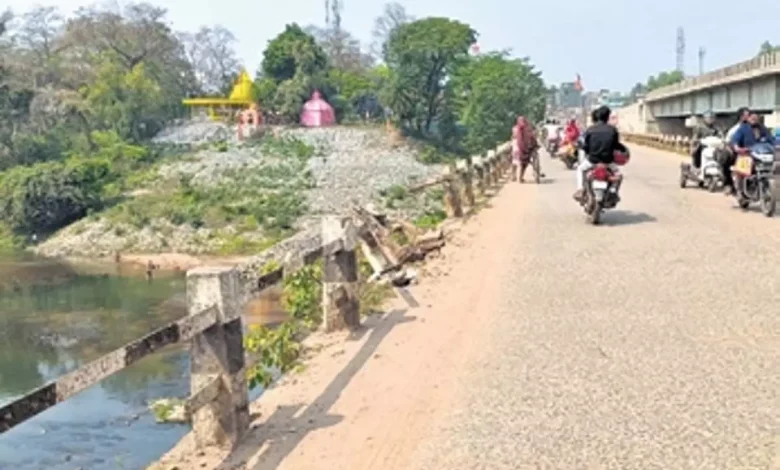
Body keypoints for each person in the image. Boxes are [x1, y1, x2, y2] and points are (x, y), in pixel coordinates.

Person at [573, 105, 627, 201]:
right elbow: (616, 145)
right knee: (618, 175)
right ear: (607, 117)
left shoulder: (590, 130)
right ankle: (613, 191)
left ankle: (580, 189)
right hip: (608, 162)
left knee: (580, 169)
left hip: (592, 160)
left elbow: (586, 146)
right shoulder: (612, 130)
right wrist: (622, 149)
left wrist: (586, 149)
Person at [721, 107, 751, 195]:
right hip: (740, 154)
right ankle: (728, 184)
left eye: (749, 115)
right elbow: (728, 142)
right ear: (741, 117)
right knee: (725, 159)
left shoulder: (754, 128)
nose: (749, 117)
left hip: (754, 153)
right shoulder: (734, 130)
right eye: (747, 116)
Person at [512, 116, 540, 183]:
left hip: (519, 147)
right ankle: (520, 177)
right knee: (524, 163)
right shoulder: (528, 128)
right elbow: (533, 137)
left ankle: (515, 176)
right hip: (526, 148)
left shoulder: (515, 128)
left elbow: (514, 137)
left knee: (516, 162)